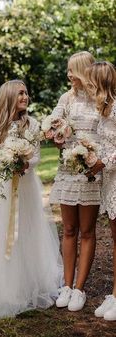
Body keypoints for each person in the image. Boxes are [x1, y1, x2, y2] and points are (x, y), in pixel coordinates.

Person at [0, 79, 62, 321]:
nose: (25, 97)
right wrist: (0, 156)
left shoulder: (33, 124)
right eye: (20, 93)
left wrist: (24, 163)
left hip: (26, 186)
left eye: (26, 93)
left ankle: (25, 284)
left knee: (27, 232)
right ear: (9, 96)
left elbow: (38, 157)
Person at [49, 51, 101, 311]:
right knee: (69, 230)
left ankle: (80, 289)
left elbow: (107, 134)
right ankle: (66, 286)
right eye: (68, 70)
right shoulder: (65, 98)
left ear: (84, 71)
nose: (69, 75)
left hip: (92, 171)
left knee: (88, 230)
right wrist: (54, 132)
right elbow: (52, 124)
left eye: (73, 70)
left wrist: (94, 156)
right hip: (68, 169)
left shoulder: (102, 99)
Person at [85, 61, 116, 320]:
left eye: (91, 81)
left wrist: (103, 162)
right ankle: (115, 293)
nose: (87, 85)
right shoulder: (104, 110)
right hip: (109, 181)